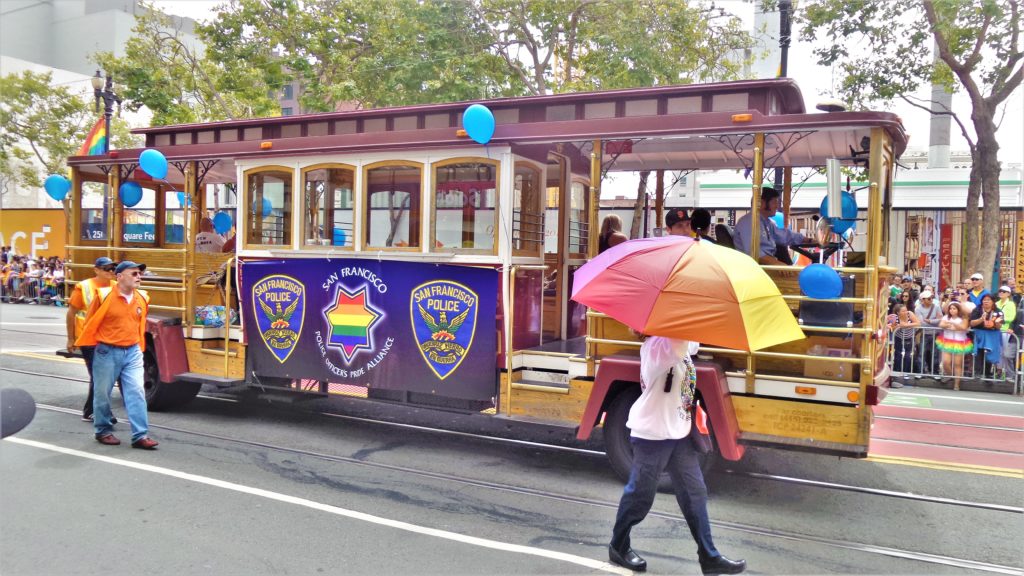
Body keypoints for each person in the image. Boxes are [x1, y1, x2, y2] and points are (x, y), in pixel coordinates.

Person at [608, 334, 745, 575]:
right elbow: (682, 343)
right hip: (652, 435)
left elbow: (692, 342)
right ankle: (618, 545)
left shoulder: (677, 343)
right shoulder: (657, 348)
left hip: (679, 434)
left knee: (695, 493)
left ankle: (709, 557)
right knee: (640, 496)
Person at [75, 261, 158, 449]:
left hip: (133, 351)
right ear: (120, 277)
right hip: (107, 350)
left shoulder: (143, 297)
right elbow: (90, 322)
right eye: (134, 273)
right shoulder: (103, 296)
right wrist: (88, 347)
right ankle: (103, 430)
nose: (139, 277)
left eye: (139, 274)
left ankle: (140, 435)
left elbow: (139, 323)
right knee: (102, 393)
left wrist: (138, 345)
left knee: (136, 392)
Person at [67, 257, 117, 421]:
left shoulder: (116, 286)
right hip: (88, 338)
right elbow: (71, 313)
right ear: (96, 270)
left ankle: (90, 411)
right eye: (106, 268)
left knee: (101, 376)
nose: (110, 271)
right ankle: (100, 412)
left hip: (108, 338)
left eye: (112, 268)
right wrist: (70, 339)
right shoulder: (84, 286)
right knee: (99, 376)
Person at [733, 186, 809, 264]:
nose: (777, 206)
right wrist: (778, 264)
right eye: (774, 202)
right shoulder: (749, 222)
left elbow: (784, 236)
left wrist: (808, 240)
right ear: (761, 203)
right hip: (756, 268)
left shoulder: (767, 223)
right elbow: (754, 252)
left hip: (766, 264)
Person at [937, 302, 972, 391]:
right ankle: (952, 375)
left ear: (958, 309)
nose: (952, 310)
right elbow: (941, 324)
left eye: (954, 308)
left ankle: (957, 384)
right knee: (945, 362)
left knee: (957, 364)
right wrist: (949, 325)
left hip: (959, 342)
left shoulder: (963, 318)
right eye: (950, 308)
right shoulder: (946, 317)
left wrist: (953, 324)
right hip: (947, 341)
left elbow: (964, 327)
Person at [969, 294, 1003, 378]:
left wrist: (997, 323)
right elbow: (971, 323)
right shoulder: (977, 310)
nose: (986, 301)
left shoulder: (998, 311)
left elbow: (999, 327)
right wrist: (981, 319)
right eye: (984, 300)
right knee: (978, 352)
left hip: (992, 334)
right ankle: (978, 372)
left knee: (990, 353)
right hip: (979, 333)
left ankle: (988, 373)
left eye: (988, 300)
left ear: (993, 302)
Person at [889, 303, 920, 381]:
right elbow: (892, 328)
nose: (905, 312)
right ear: (898, 312)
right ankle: (896, 372)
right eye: (903, 311)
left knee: (908, 356)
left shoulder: (910, 314)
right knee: (898, 355)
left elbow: (918, 323)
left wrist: (905, 325)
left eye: (906, 310)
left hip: (909, 337)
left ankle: (906, 372)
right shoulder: (894, 317)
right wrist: (897, 325)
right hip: (898, 337)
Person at [915, 290, 942, 373]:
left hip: (935, 333)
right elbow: (922, 323)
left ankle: (935, 372)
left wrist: (930, 321)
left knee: (935, 354)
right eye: (929, 299)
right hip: (925, 333)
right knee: (921, 353)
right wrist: (934, 321)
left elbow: (941, 319)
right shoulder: (918, 309)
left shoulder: (936, 307)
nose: (931, 300)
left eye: (931, 298)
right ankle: (921, 372)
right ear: (922, 300)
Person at [996, 286, 1017, 379]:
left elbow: (1012, 317)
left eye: (1004, 291)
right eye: (1000, 291)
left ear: (1008, 294)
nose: (1001, 293)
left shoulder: (1011, 304)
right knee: (998, 352)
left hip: (1006, 331)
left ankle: (1006, 372)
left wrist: (1002, 320)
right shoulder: (996, 303)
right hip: (997, 330)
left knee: (1005, 352)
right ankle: (999, 371)